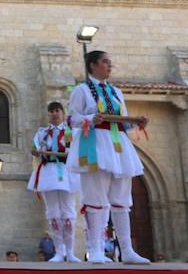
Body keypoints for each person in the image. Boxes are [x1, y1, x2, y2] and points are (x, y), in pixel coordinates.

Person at [67, 50, 150, 264]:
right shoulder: (82, 90)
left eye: (109, 62)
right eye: (105, 62)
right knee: (95, 197)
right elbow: (72, 119)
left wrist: (135, 122)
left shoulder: (116, 92)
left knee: (122, 199)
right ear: (93, 65)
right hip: (94, 144)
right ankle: (95, 249)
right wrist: (89, 118)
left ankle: (127, 250)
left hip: (118, 144)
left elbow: (122, 120)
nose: (109, 65)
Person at [28, 101, 81, 262]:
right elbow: (35, 150)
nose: (54, 114)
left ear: (63, 113)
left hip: (67, 171)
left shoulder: (72, 132)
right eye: (51, 111)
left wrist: (64, 154)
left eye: (57, 110)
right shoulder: (42, 133)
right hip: (48, 171)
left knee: (68, 212)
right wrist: (37, 152)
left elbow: (76, 150)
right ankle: (59, 251)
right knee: (53, 212)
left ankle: (70, 251)